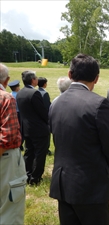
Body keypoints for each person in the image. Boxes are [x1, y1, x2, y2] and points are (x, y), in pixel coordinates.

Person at [49, 53, 109, 225]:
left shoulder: (55, 103)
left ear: (70, 74)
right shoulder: (99, 104)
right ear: (96, 78)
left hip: (63, 184)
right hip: (90, 186)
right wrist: (103, 174)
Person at [0, 63, 27, 225]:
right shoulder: (5, 98)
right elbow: (8, 137)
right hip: (6, 160)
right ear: (7, 80)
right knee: (10, 209)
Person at [16, 70, 50, 185]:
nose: (37, 79)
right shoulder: (34, 93)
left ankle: (27, 174)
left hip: (26, 128)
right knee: (40, 153)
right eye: (35, 78)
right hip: (39, 129)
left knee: (29, 152)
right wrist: (48, 122)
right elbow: (42, 112)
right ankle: (35, 178)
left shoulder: (20, 93)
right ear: (32, 80)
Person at [8, 80, 24, 151]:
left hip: (12, 113)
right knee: (21, 130)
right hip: (19, 113)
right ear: (17, 88)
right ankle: (20, 144)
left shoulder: (9, 94)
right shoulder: (18, 95)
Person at [37, 77, 52, 156]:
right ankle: (46, 149)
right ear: (44, 84)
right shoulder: (45, 93)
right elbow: (47, 106)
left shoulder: (36, 91)